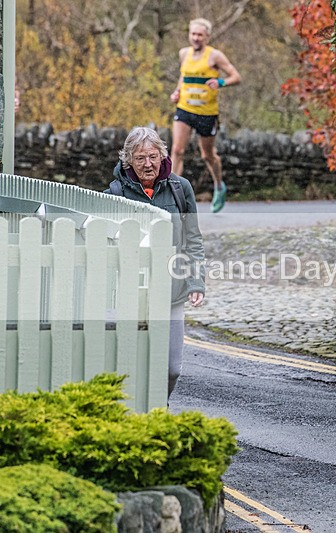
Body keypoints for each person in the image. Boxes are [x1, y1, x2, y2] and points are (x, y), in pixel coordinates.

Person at [106, 127, 206, 398]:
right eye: (140, 158)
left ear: (162, 156)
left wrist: (196, 281)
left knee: (171, 368)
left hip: (171, 293)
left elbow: (192, 240)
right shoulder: (115, 193)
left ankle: (160, 407)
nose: (148, 164)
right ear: (128, 160)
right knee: (131, 364)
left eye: (152, 156)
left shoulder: (179, 189)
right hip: (129, 295)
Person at [170, 17, 241, 213]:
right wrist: (177, 92)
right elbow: (183, 77)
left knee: (207, 155)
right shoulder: (183, 53)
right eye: (193, 34)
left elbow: (236, 76)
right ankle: (172, 194)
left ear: (207, 37)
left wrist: (220, 83)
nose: (196, 38)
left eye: (200, 35)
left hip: (206, 113)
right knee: (177, 150)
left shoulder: (215, 56)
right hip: (184, 108)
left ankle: (219, 185)